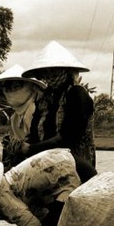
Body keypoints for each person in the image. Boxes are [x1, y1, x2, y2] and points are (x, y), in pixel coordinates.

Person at [22, 42, 96, 178]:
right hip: (44, 162)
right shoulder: (45, 98)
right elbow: (34, 132)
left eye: (54, 71)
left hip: (75, 165)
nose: (50, 75)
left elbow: (67, 138)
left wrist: (30, 149)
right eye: (46, 72)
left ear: (65, 71)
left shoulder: (77, 94)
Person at [0, 64, 46, 170]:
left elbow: (36, 145)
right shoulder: (15, 117)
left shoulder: (34, 110)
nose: (11, 92)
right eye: (8, 89)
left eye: (16, 87)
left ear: (29, 87)